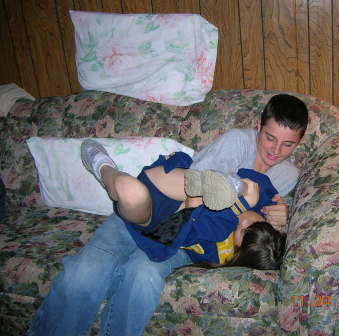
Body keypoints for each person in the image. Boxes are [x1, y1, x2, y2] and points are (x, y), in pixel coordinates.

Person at [28, 94, 309, 336]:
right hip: (163, 210)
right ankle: (110, 173)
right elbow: (193, 192)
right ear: (258, 126)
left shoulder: (288, 176)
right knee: (83, 276)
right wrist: (242, 204)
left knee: (143, 276)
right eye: (270, 137)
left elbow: (268, 236)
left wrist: (283, 216)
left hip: (188, 237)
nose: (275, 150)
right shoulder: (237, 143)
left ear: (299, 143)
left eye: (287, 145)